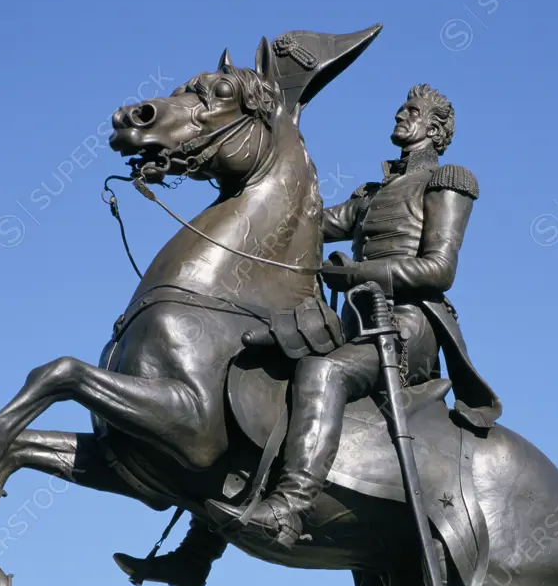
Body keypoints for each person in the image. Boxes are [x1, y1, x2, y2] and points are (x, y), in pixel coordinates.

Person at [206, 83, 501, 549]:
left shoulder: (448, 181)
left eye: (413, 111)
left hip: (406, 328)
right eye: (401, 108)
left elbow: (439, 270)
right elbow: (306, 222)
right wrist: (249, 174)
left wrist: (358, 273)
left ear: (436, 128)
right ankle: (197, 548)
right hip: (357, 324)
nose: (401, 116)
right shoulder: (371, 193)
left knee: (323, 372)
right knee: (259, 362)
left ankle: (290, 508)